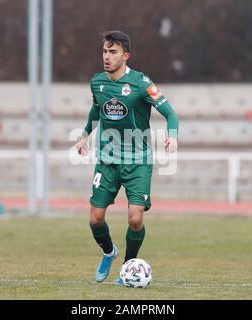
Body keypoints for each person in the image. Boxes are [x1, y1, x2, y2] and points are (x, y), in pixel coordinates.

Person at [75, 31, 179, 286]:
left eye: (113, 52)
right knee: (95, 219)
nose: (107, 57)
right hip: (107, 161)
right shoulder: (97, 82)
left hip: (138, 161)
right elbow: (96, 109)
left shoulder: (141, 84)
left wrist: (172, 136)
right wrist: (85, 134)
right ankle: (109, 253)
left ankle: (127, 267)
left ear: (126, 55)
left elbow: (170, 114)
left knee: (135, 218)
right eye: (104, 51)